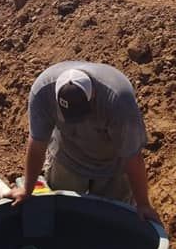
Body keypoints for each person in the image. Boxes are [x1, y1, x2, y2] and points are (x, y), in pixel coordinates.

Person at [10, 61, 160, 223]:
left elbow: (133, 157)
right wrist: (27, 189)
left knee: (113, 221)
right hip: (67, 157)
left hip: (112, 165)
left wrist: (143, 204)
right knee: (62, 217)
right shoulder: (42, 92)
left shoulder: (118, 100)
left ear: (93, 94)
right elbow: (38, 143)